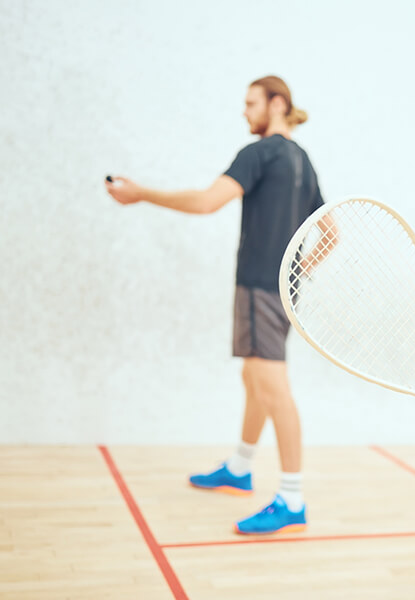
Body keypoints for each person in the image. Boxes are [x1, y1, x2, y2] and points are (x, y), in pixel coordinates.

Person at [106, 75, 325, 535]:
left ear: (277, 104)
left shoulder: (260, 153)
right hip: (284, 292)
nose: (244, 111)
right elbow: (330, 234)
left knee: (273, 388)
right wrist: (296, 275)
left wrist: (141, 193)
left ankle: (291, 499)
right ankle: (241, 468)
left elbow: (208, 203)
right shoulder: (303, 160)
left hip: (259, 289)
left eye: (251, 103)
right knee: (254, 378)